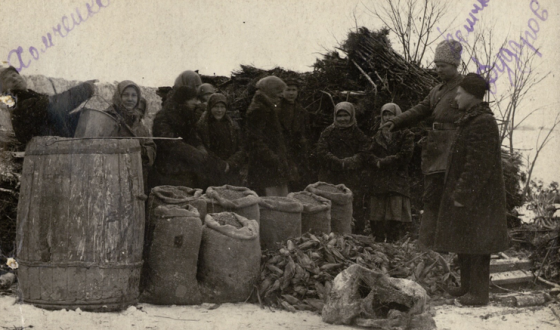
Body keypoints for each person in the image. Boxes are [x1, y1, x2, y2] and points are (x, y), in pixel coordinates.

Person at [380, 39, 464, 249]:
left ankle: (450, 246)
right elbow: (419, 110)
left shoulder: (465, 89)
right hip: (435, 152)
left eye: (442, 66)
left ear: (455, 65)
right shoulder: (436, 91)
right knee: (431, 198)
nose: (438, 70)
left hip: (455, 151)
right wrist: (396, 122)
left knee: (452, 200)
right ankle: (426, 245)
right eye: (436, 65)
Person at [435, 73, 508, 306]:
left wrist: (463, 194)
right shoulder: (472, 118)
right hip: (472, 197)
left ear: (471, 95)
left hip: (480, 199)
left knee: (478, 244)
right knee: (465, 240)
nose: (456, 96)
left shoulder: (483, 122)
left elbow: (477, 164)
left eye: (459, 92)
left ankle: (479, 293)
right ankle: (467, 287)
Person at [0, 66, 97, 148]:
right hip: (52, 148)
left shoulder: (30, 97)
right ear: (5, 91)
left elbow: (55, 117)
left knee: (88, 117)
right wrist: (85, 89)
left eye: (14, 75)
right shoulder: (21, 105)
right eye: (8, 80)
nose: (14, 79)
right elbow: (56, 106)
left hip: (56, 142)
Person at [151, 85, 225, 189]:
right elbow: (169, 142)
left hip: (187, 167)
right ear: (183, 100)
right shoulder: (163, 117)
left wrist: (200, 148)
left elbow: (193, 136)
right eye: (193, 99)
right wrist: (194, 154)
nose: (196, 102)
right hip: (168, 169)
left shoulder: (188, 115)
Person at [316, 102, 370, 233]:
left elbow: (365, 151)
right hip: (331, 174)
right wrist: (337, 161)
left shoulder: (358, 133)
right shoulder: (328, 132)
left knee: (352, 203)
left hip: (351, 175)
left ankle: (356, 233)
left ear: (351, 116)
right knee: (330, 202)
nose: (342, 119)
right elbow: (321, 151)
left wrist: (350, 161)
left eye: (346, 115)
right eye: (339, 116)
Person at [365, 103, 414, 242]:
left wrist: (384, 162)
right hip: (379, 179)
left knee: (395, 214)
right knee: (377, 215)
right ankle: (378, 245)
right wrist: (375, 161)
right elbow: (368, 154)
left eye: (391, 114)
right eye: (385, 114)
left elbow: (405, 155)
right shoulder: (377, 135)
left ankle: (393, 245)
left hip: (397, 179)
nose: (387, 118)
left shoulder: (406, 134)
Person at [104, 80, 156, 194]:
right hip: (112, 178)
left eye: (134, 95)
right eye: (125, 95)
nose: (130, 99)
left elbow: (151, 146)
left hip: (137, 179)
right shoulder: (107, 118)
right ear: (119, 96)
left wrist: (143, 151)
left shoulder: (139, 123)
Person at [246, 76, 290, 196]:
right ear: (270, 92)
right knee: (270, 201)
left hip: (271, 163)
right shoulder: (258, 110)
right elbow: (255, 140)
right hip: (265, 165)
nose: (281, 96)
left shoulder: (267, 107)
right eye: (279, 92)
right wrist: (273, 158)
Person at [197, 93, 246, 187]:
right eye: (216, 107)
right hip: (210, 172)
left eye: (222, 107)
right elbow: (202, 148)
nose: (219, 110)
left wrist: (230, 164)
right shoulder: (202, 126)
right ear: (210, 107)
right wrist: (219, 165)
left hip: (231, 172)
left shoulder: (233, 125)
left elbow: (241, 148)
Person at [277, 77, 310, 191]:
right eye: (288, 90)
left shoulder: (301, 111)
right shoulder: (277, 109)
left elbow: (305, 131)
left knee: (298, 181)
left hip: (297, 151)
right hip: (282, 149)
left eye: (294, 90)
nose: (291, 93)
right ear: (282, 91)